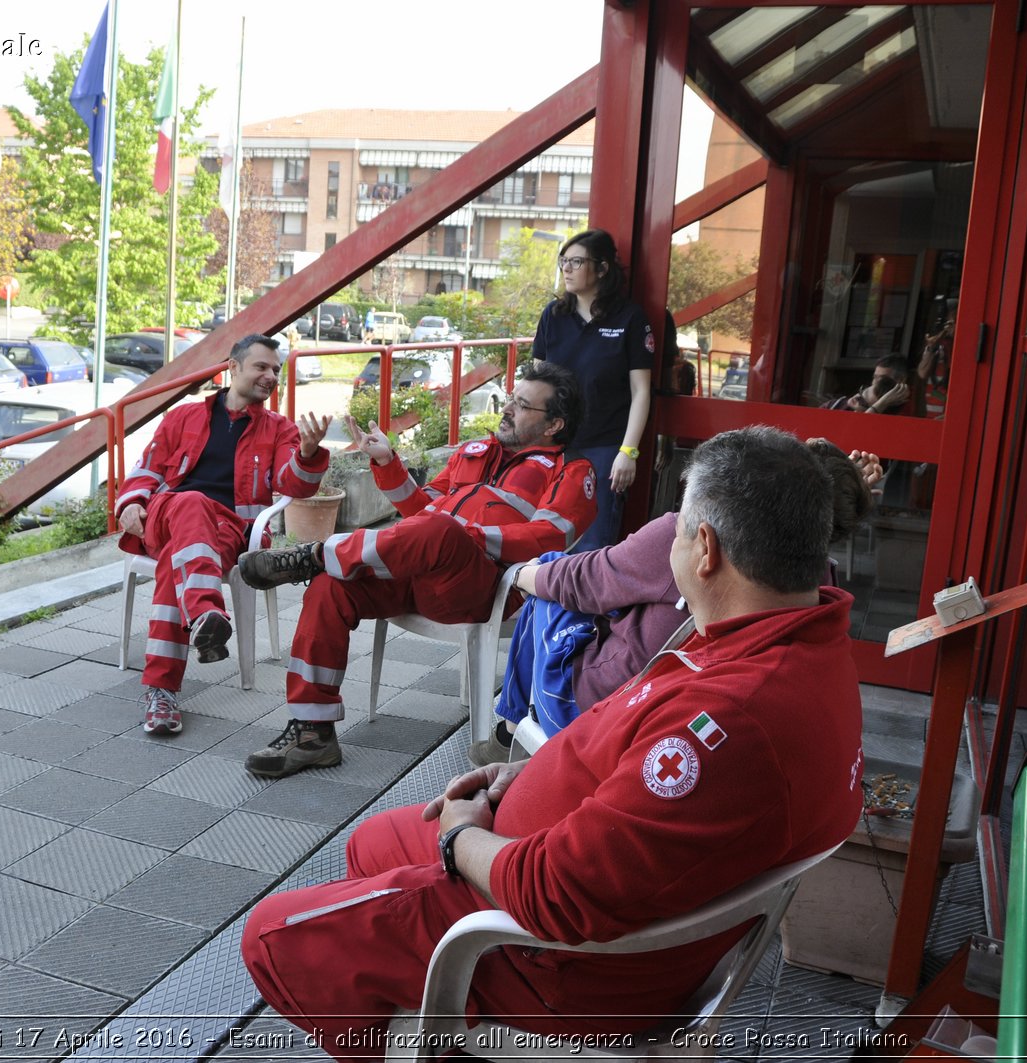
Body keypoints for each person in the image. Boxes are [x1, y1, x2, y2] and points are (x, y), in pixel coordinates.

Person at [240, 427, 865, 1061]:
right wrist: (531, 780)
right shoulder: (801, 643)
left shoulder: (729, 722)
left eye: (675, 531)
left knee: (269, 934)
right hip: (574, 874)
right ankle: (415, 1000)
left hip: (555, 961)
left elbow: (556, 896)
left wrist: (461, 839)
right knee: (367, 843)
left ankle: (435, 1025)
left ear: (704, 549)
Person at [235, 361, 596, 779]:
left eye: (522, 405)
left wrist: (468, 535)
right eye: (511, 398)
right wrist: (387, 462)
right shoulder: (473, 452)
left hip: (482, 587)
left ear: (553, 425)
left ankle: (313, 554)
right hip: (420, 568)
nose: (508, 408)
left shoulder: (573, 471)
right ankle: (312, 732)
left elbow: (548, 537)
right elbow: (421, 511)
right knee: (332, 586)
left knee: (441, 530)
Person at [480, 439, 880, 760]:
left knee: (551, 575)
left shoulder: (689, 539)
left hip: (611, 710)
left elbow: (585, 581)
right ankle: (510, 726)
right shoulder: (820, 585)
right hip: (667, 710)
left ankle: (511, 727)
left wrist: (518, 572)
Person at [115, 334, 332, 735]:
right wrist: (130, 503)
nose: (271, 377)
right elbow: (146, 469)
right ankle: (204, 613)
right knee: (191, 501)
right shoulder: (182, 417)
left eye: (276, 370)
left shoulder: (279, 430)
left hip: (228, 532)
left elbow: (294, 484)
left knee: (175, 560)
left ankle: (163, 688)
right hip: (166, 517)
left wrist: (307, 454)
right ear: (232, 368)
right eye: (261, 367)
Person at [531, 229, 653, 550]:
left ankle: (584, 604)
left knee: (594, 546)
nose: (566, 269)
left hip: (604, 450)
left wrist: (628, 452)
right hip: (554, 446)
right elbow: (538, 381)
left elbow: (641, 392)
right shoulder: (553, 316)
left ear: (601, 269)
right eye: (563, 261)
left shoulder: (630, 318)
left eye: (576, 261)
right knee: (544, 540)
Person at [826, 355, 911, 414]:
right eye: (875, 377)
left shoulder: (904, 408)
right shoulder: (839, 405)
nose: (875, 382)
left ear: (901, 380)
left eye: (882, 378)